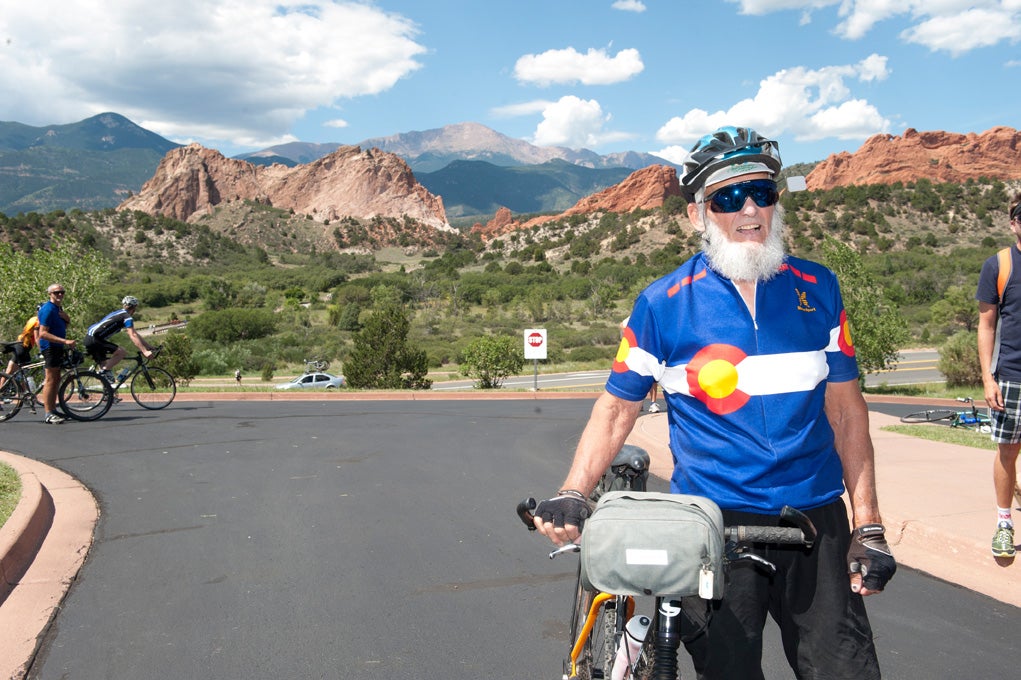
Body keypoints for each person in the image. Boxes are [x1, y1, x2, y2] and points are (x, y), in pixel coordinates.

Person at [533, 126, 895, 679]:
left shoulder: (819, 289)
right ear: (698, 214)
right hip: (710, 525)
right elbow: (617, 409)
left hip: (816, 519)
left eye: (763, 193)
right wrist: (573, 492)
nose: (749, 209)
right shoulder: (662, 305)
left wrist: (867, 524)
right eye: (728, 198)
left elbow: (847, 411)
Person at [976, 192, 1021, 558]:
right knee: (1008, 451)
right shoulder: (999, 265)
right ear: (1013, 222)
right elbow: (986, 325)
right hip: (1010, 376)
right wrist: (988, 379)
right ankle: (1004, 523)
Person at [84, 296, 154, 384]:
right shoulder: (127, 317)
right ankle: (103, 372)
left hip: (92, 339)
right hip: (95, 340)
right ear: (134, 308)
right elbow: (132, 335)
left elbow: (136, 334)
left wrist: (148, 346)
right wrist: (144, 351)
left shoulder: (119, 313)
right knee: (121, 352)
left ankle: (108, 395)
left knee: (106, 372)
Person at [37, 284, 75, 424]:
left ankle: (53, 409)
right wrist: (65, 341)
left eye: (62, 292)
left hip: (57, 347)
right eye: (56, 293)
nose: (60, 295)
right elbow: (43, 333)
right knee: (50, 380)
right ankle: (48, 413)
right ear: (50, 294)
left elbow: (62, 326)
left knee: (56, 380)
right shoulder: (48, 309)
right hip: (50, 347)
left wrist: (67, 319)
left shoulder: (58, 309)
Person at [0, 309, 41, 393]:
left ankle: (23, 394)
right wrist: (42, 351)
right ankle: (24, 394)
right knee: (22, 374)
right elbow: (37, 339)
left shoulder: (33, 319)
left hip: (20, 346)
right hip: (23, 348)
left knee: (11, 373)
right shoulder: (39, 322)